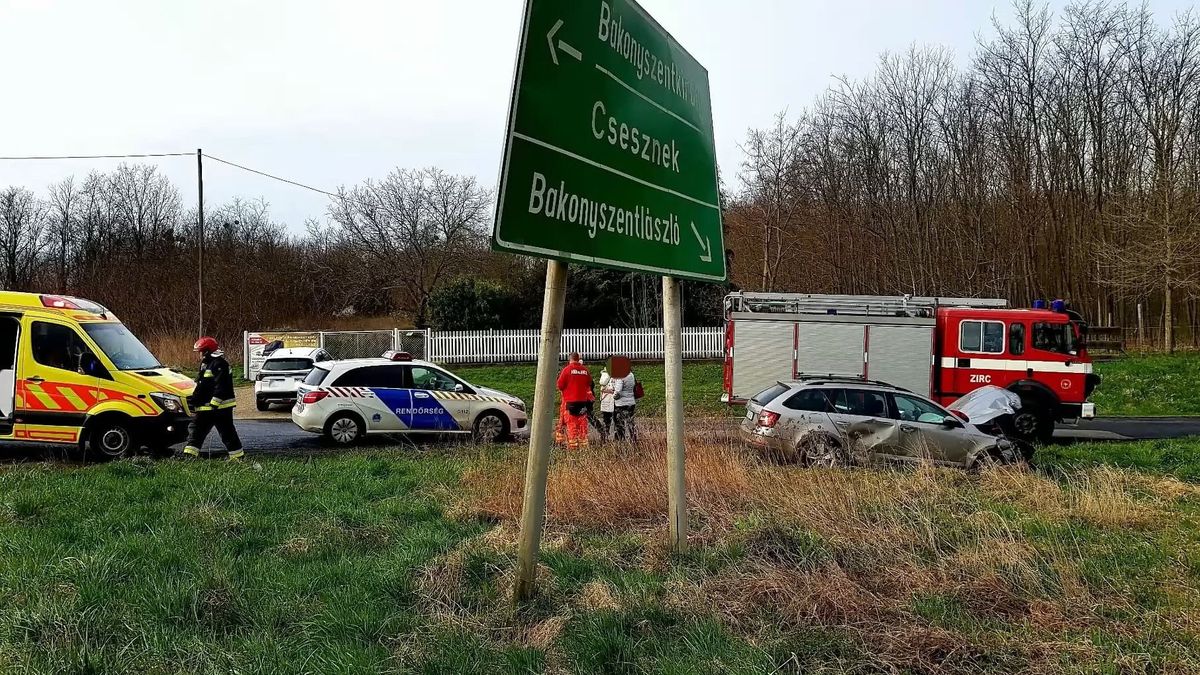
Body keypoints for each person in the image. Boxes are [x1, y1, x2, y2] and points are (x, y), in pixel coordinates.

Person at [180, 336, 244, 461]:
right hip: (206, 407)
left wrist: (213, 405)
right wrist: (194, 402)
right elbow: (202, 385)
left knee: (226, 433)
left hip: (220, 409)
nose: (199, 355)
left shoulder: (220, 364)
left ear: (207, 351)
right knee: (197, 431)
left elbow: (222, 387)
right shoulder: (206, 364)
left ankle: (237, 457)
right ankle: (189, 456)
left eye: (200, 352)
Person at [556, 352, 594, 450]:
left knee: (572, 425)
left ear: (570, 359)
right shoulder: (585, 370)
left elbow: (560, 385)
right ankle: (583, 447)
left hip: (570, 403)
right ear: (578, 359)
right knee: (582, 425)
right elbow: (589, 383)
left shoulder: (567, 370)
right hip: (582, 403)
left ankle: (573, 448)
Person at [610, 356, 639, 442]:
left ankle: (620, 439)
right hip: (631, 402)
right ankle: (633, 438)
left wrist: (613, 396)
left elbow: (618, 391)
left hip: (621, 403)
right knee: (630, 421)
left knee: (619, 422)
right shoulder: (631, 374)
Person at [596, 365, 615, 442]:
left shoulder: (604, 375)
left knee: (606, 419)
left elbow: (602, 389)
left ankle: (604, 436)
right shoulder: (613, 376)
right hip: (612, 400)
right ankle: (615, 436)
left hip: (605, 400)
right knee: (615, 419)